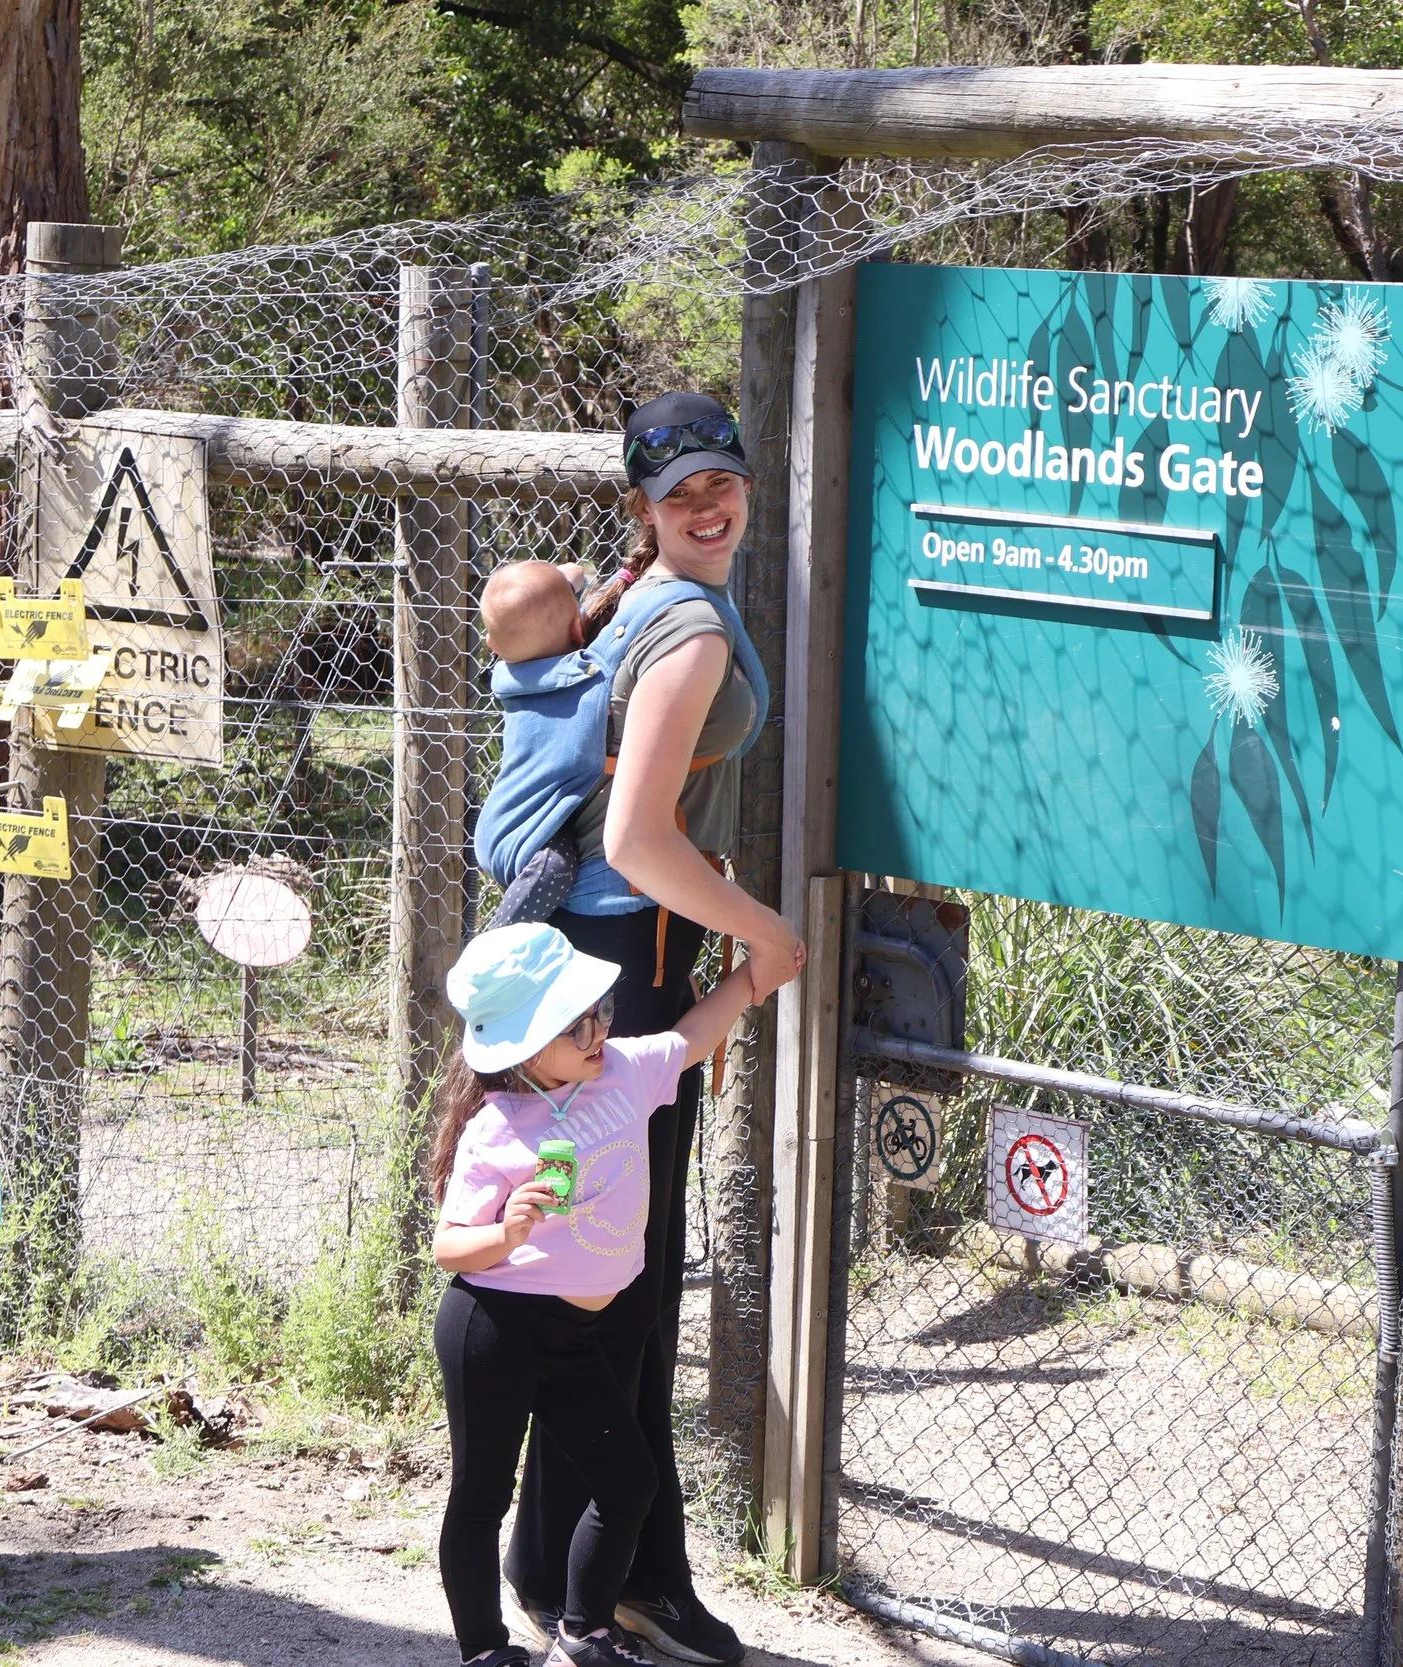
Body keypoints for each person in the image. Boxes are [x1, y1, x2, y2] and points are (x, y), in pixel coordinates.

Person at [507, 391, 805, 1666]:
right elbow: (636, 837)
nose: (706, 502)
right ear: (641, 504)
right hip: (635, 950)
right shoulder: (680, 625)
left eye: (719, 480)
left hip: (609, 953)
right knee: (624, 1269)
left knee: (601, 1252)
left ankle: (562, 1555)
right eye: (678, 488)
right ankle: (629, 1577)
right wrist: (762, 935)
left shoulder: (641, 599)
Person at [431, 921, 767, 1667]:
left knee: (629, 1480)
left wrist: (751, 978)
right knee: (482, 1495)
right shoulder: (497, 1127)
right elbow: (449, 1246)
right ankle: (484, 1650)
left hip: (574, 1337)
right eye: (576, 1019)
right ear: (523, 1044)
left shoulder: (624, 1071)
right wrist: (507, 1236)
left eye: (601, 1007)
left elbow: (692, 1037)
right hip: (493, 1324)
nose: (600, 1026)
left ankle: (583, 1631)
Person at [478, 560, 600, 928]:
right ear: (579, 628)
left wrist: (566, 581)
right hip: (535, 835)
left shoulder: (510, 676)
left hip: (497, 819)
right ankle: (495, 944)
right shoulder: (584, 682)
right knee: (557, 870)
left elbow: (555, 590)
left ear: (492, 644)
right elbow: (571, 582)